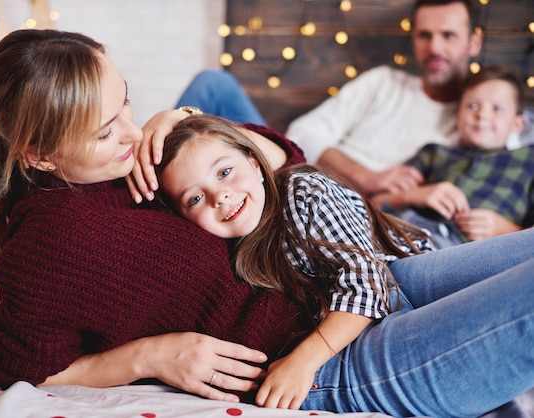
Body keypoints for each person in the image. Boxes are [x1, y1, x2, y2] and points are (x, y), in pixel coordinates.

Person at [0, 28, 316, 403]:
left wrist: (180, 120)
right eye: (104, 133)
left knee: (210, 86)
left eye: (125, 102)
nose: (133, 133)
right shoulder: (55, 239)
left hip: (321, 289)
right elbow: (5, 366)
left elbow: (286, 160)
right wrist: (148, 357)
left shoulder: (119, 164)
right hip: (297, 351)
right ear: (39, 156)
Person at [152, 114, 534, 416]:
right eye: (196, 198)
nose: (221, 196)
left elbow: (369, 282)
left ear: (255, 161)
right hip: (375, 317)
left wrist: (303, 360)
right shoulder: (237, 247)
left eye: (224, 172)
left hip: (398, 273)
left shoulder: (302, 191)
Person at [175, 0, 484, 196]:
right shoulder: (385, 82)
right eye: (424, 35)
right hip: (290, 168)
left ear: (474, 42)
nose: (435, 48)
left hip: (327, 203)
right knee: (213, 84)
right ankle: (148, 180)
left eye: (449, 35)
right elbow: (301, 134)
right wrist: (368, 176)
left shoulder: (484, 122)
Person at [373, 64, 534, 248]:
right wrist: (415, 195)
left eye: (497, 109)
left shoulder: (529, 162)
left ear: (517, 124)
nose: (482, 115)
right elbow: (376, 203)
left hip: (465, 250)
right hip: (405, 229)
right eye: (473, 106)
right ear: (457, 116)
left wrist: (508, 231)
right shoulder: (434, 152)